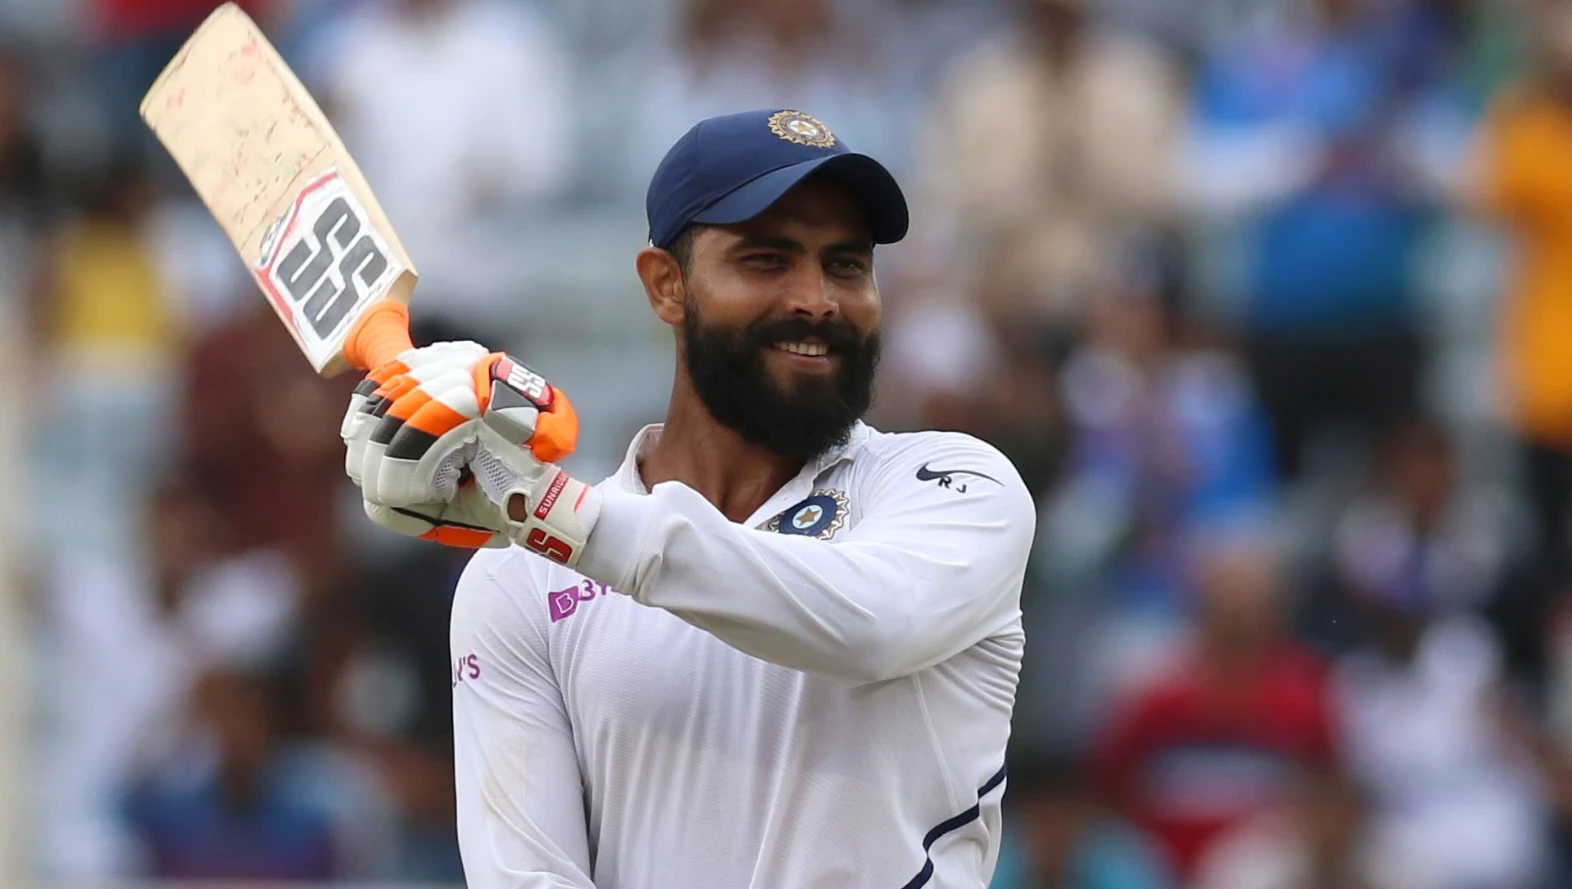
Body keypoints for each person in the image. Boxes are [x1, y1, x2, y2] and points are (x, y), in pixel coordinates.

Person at [337, 109, 1037, 886]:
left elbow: (872, 625)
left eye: (846, 265)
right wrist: (545, 520)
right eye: (768, 259)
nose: (817, 299)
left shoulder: (956, 487)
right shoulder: (521, 580)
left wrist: (547, 511)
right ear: (665, 285)